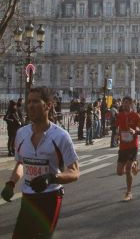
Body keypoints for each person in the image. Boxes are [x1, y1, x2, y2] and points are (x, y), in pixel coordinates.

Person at [1, 87, 79, 238]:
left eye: (36, 101)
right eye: (29, 102)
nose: (30, 105)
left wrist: (51, 178)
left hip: (50, 197)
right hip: (28, 198)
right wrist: (11, 183)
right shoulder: (21, 133)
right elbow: (20, 164)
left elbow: (75, 172)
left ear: (48, 105)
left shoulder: (61, 136)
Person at [116, 96, 140, 201]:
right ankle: (135, 164)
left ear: (131, 104)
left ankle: (128, 193)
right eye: (124, 103)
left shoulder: (136, 116)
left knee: (127, 170)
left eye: (127, 103)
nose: (125, 104)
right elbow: (116, 127)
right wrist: (116, 134)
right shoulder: (119, 115)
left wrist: (135, 131)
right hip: (123, 146)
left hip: (133, 146)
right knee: (119, 172)